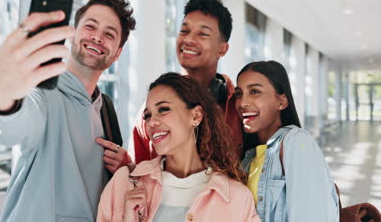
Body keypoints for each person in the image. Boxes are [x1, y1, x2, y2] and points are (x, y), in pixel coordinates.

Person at [0, 0, 135, 221]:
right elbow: (12, 126)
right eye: (90, 26)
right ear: (72, 34)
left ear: (117, 54)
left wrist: (125, 170)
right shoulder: (42, 95)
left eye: (109, 34)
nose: (97, 37)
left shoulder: (106, 110)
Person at [97, 72, 260, 222]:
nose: (151, 122)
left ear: (196, 116)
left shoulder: (236, 198)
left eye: (163, 109)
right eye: (147, 116)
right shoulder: (124, 183)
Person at [124, 0, 245, 165]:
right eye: (184, 31)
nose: (188, 40)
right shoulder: (151, 109)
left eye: (202, 34)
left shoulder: (238, 107)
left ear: (222, 49)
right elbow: (139, 170)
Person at [235, 61, 339, 221]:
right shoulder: (250, 157)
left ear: (281, 102)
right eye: (239, 94)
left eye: (254, 91)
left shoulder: (295, 141)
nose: (242, 103)